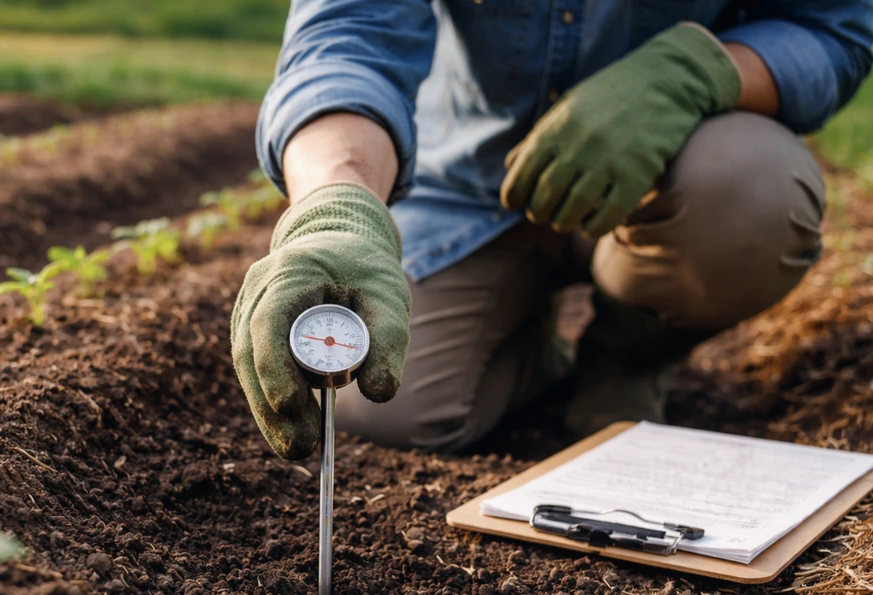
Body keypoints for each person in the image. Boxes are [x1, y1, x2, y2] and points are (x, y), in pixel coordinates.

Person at [232, 1, 873, 460]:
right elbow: (349, 36)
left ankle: (630, 353)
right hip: (467, 190)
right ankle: (534, 346)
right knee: (387, 405)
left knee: (754, 188)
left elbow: (832, 27)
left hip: (672, 175)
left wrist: (693, 74)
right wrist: (337, 205)